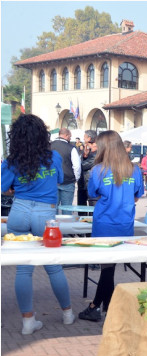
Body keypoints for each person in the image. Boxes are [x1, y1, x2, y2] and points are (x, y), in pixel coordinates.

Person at [1, 114, 74, 334]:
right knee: (53, 266)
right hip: (46, 215)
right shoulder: (53, 158)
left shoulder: (12, 161)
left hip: (19, 211)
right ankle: (68, 313)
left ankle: (27, 321)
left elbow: (3, 188)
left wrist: (16, 187)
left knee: (23, 270)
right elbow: (59, 180)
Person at [78, 131, 144, 322]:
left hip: (104, 222)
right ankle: (105, 306)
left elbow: (92, 193)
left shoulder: (98, 170)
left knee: (107, 267)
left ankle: (98, 306)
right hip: (124, 222)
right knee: (109, 266)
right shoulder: (134, 169)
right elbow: (138, 195)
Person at [50, 127, 81, 208]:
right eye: (70, 137)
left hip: (52, 181)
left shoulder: (48, 146)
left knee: (53, 209)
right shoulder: (71, 148)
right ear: (66, 135)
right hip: (68, 181)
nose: (70, 138)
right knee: (67, 210)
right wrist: (75, 178)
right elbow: (77, 166)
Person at [77, 130, 98, 211]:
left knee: (93, 209)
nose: (83, 139)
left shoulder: (98, 153)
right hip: (82, 183)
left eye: (84, 137)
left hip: (90, 183)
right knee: (81, 209)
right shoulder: (86, 151)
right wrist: (85, 155)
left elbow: (82, 166)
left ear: (89, 138)